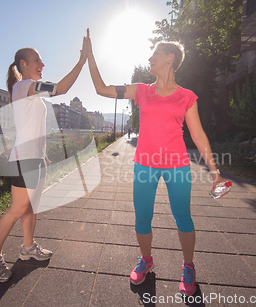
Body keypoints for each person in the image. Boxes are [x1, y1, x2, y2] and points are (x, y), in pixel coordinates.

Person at [85, 29, 226, 295]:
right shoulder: (141, 91)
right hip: (145, 165)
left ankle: (188, 266)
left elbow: (197, 134)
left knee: (183, 217)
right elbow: (101, 89)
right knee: (142, 219)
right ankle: (146, 260)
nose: (150, 58)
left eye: (155, 54)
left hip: (177, 165)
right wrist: (90, 56)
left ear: (169, 59)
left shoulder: (186, 96)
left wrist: (214, 170)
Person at [0, 36, 88, 282]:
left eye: (42, 61)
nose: (41, 64)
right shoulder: (24, 87)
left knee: (31, 207)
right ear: (23, 64)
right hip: (23, 160)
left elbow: (31, 126)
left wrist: (42, 153)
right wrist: (82, 61)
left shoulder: (31, 90)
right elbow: (61, 89)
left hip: (35, 158)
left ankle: (28, 248)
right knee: (17, 209)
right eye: (36, 61)